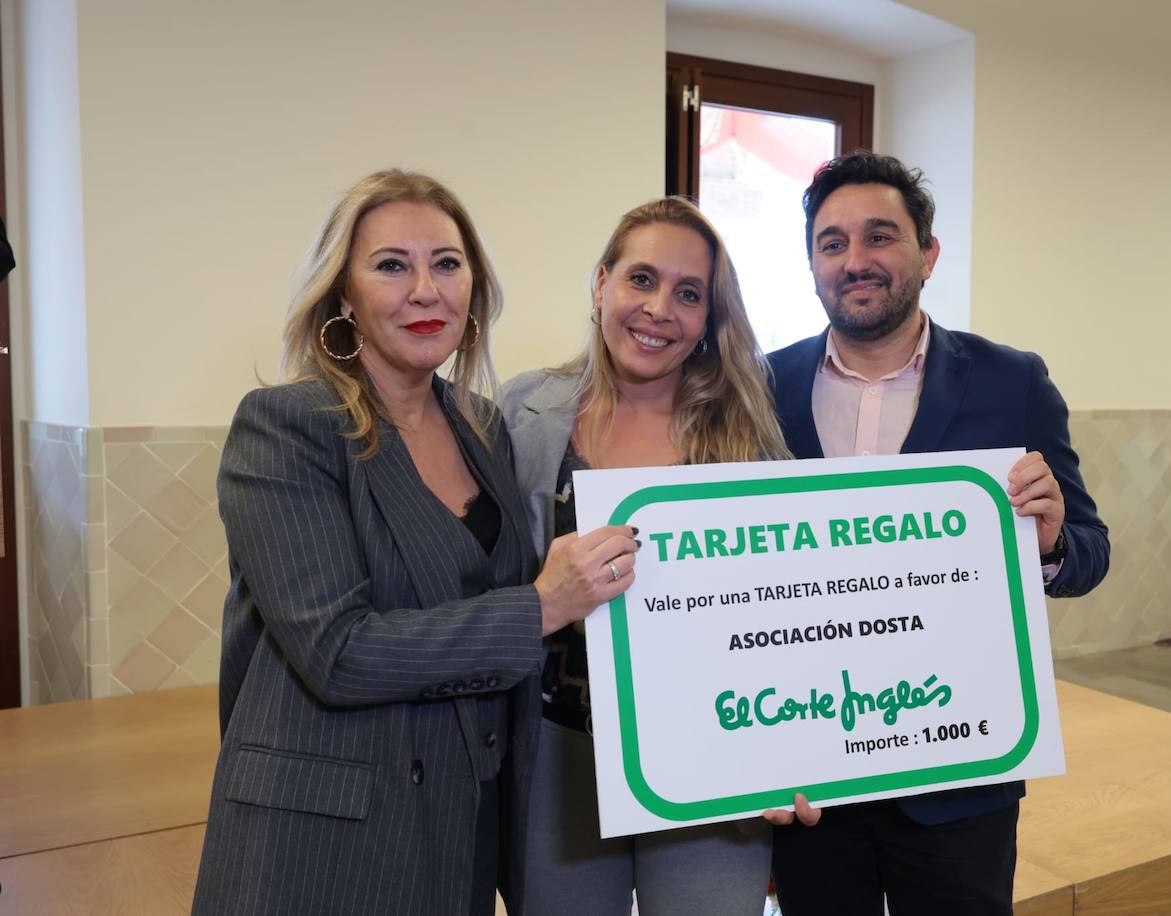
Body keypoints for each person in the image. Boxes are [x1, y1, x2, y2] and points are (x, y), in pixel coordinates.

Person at [191, 169, 637, 916]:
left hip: (456, 830)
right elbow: (338, 651)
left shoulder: (484, 427)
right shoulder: (286, 426)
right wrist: (539, 607)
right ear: (343, 295)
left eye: (447, 264)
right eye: (392, 265)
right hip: (320, 837)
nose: (425, 290)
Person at [766, 152, 1110, 916]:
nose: (855, 261)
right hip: (810, 778)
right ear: (813, 263)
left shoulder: (1011, 380)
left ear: (927, 253)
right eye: (832, 243)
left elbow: (1090, 552)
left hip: (960, 776)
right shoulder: (761, 386)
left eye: (880, 237)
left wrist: (1052, 543)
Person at [499, 197, 789, 916]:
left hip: (709, 756)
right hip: (556, 754)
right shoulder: (520, 411)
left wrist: (798, 752)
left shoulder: (748, 435)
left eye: (689, 294)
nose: (661, 309)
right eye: (641, 280)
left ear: (708, 319)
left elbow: (787, 611)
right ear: (601, 284)